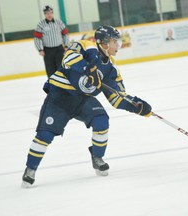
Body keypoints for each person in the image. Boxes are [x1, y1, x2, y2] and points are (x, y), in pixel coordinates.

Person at [22, 26, 152, 188]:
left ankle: (97, 158)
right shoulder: (86, 46)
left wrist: (137, 107)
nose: (117, 45)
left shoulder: (111, 68)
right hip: (60, 96)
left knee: (101, 120)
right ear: (103, 43)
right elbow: (67, 58)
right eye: (113, 41)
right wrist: (87, 69)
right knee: (45, 135)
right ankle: (30, 168)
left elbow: (117, 98)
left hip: (82, 100)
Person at [34, 5, 70, 78]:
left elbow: (65, 34)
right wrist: (40, 49)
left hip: (59, 49)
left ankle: (63, 85)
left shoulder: (59, 22)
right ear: (45, 14)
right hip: (48, 51)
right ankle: (53, 86)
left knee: (61, 68)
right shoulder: (41, 24)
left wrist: (66, 45)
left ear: (52, 13)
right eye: (47, 13)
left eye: (50, 13)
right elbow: (37, 38)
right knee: (50, 70)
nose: (49, 15)